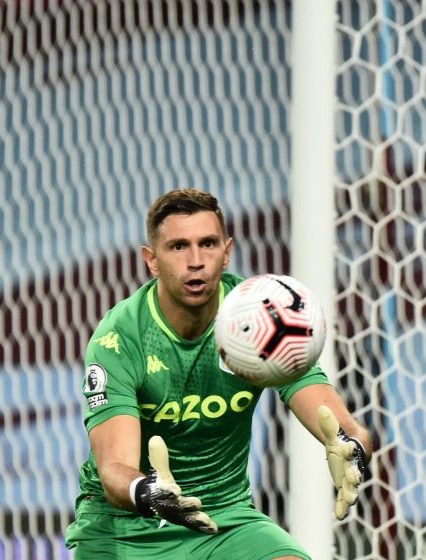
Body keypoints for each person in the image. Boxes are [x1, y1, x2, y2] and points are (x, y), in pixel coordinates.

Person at [65, 188, 372, 559]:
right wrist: (149, 492)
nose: (196, 261)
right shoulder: (120, 338)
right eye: (178, 247)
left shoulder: (259, 317)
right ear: (152, 260)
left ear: (227, 252)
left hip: (223, 518)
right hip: (125, 528)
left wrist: (352, 447)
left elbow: (339, 424)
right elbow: (115, 469)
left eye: (207, 244)